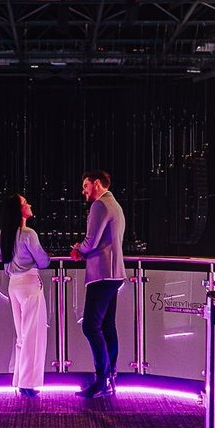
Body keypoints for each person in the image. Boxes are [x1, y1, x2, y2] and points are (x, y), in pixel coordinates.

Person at [71, 169, 126, 398]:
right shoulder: (115, 205)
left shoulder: (99, 205)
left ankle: (101, 380)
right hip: (114, 274)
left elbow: (91, 241)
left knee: (90, 326)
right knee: (107, 327)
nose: (83, 191)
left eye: (85, 185)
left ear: (96, 184)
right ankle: (110, 377)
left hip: (102, 274)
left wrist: (77, 249)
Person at [0, 194, 51, 397]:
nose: (29, 204)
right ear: (19, 210)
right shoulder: (28, 234)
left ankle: (18, 379)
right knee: (33, 335)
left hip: (13, 285)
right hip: (30, 284)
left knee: (22, 335)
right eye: (25, 203)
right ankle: (27, 383)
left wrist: (9, 261)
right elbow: (43, 261)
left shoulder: (5, 234)